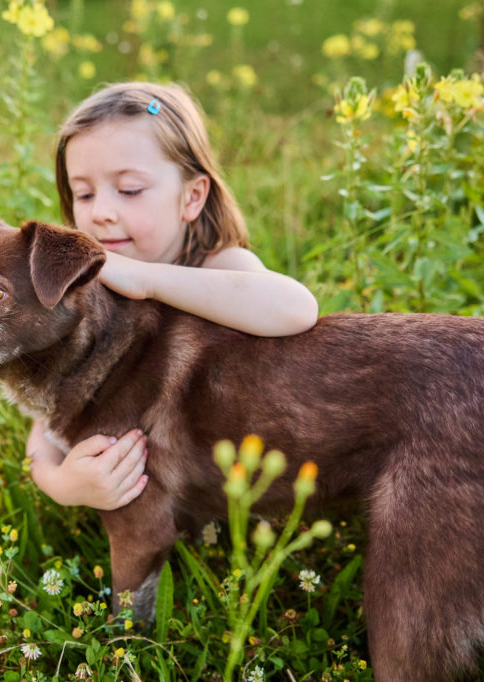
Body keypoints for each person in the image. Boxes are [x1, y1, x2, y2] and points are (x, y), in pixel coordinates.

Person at [26, 82, 318, 511]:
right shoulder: (87, 296)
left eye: (129, 190)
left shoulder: (218, 267)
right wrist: (60, 484)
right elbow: (44, 419)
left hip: (245, 490)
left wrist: (146, 279)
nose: (100, 212)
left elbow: (297, 308)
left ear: (192, 196)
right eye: (83, 194)